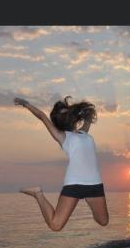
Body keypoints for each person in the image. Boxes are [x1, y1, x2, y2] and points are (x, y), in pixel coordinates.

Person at [14, 96, 109, 231]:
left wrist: (84, 112)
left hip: (94, 184)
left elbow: (89, 114)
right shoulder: (62, 136)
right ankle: (38, 194)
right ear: (60, 120)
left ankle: (88, 200)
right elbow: (42, 116)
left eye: (67, 112)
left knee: (103, 221)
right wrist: (26, 104)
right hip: (74, 183)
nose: (66, 114)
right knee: (55, 225)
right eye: (63, 113)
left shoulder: (84, 133)